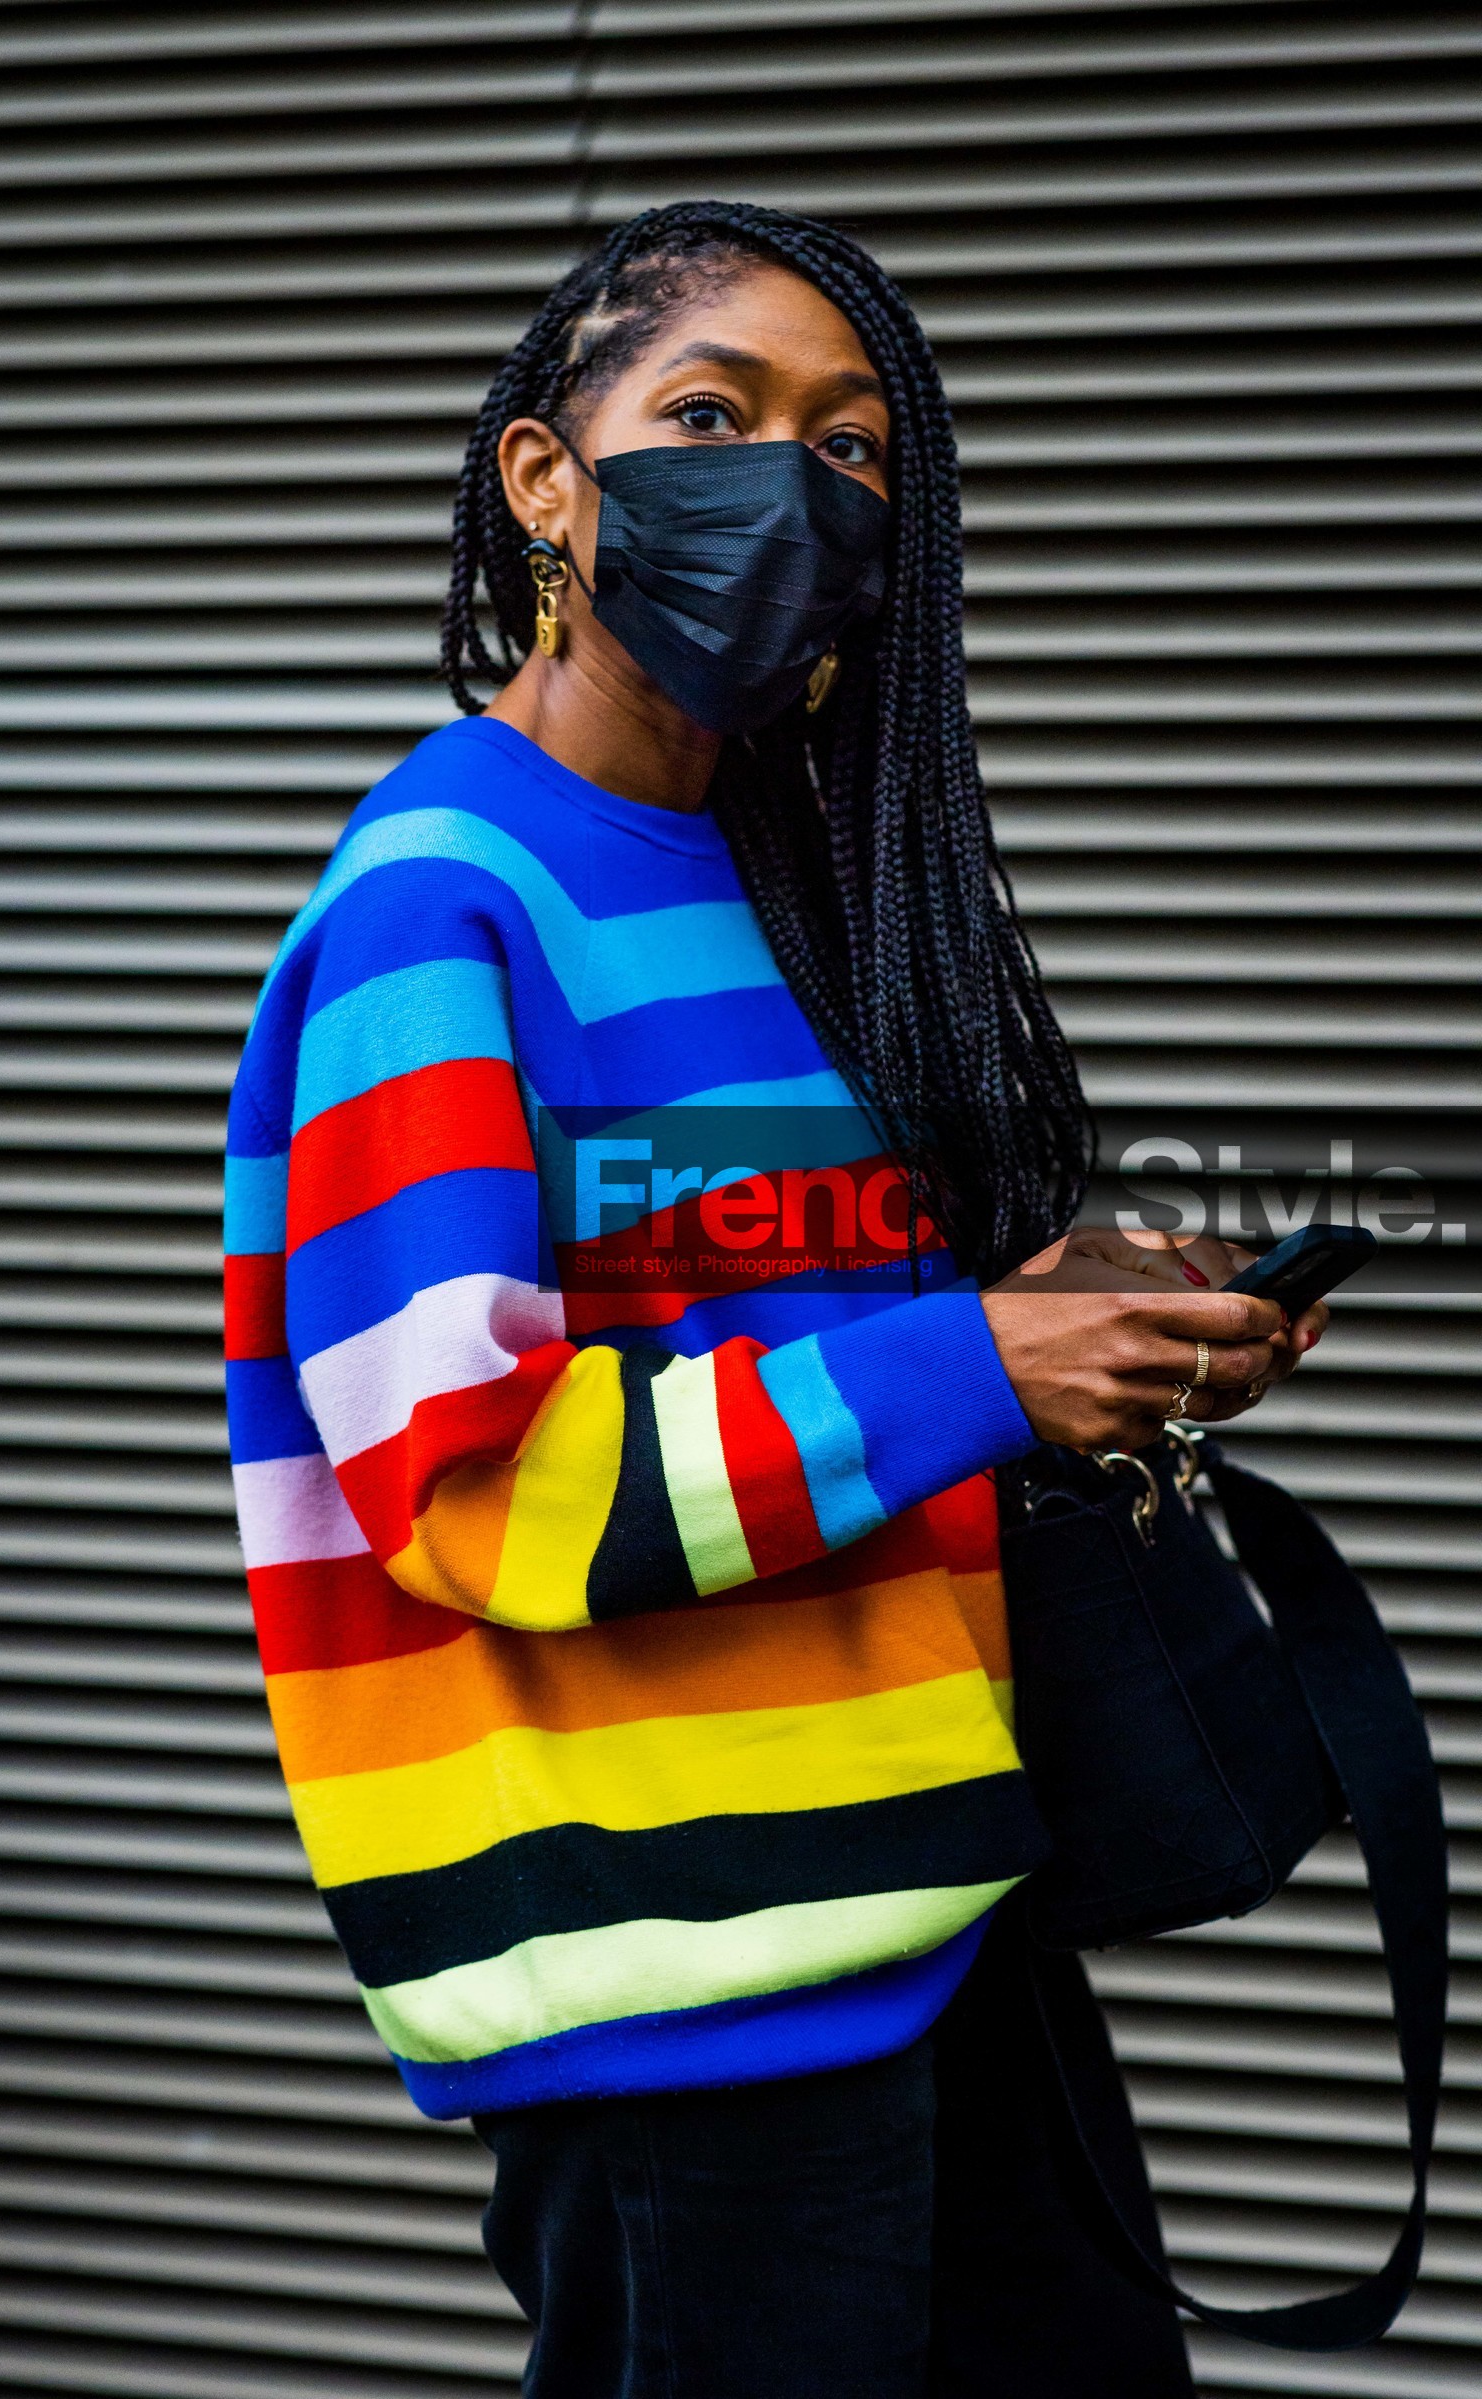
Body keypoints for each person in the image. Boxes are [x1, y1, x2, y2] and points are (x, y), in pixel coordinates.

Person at [224, 201, 1326, 2397]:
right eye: (711, 415)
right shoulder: (441, 909)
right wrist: (976, 1361)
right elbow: (474, 1491)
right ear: (547, 481)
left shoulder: (790, 885)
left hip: (943, 1918)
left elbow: (760, 1317)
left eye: (847, 449)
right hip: (679, 1997)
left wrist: (1067, 1320)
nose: (786, 485)